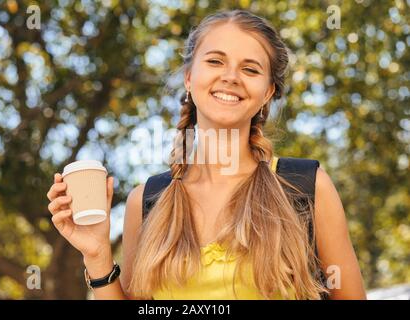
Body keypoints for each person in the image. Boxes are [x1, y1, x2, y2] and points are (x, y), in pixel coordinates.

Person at [46, 9, 366, 300]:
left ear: (268, 92)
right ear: (189, 77)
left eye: (250, 69)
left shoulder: (304, 187)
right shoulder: (147, 201)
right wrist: (98, 255)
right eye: (215, 61)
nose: (230, 77)